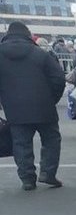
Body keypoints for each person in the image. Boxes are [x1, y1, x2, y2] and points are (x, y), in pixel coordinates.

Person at [0, 21, 67, 190]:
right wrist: (52, 98)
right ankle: (48, 173)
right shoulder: (41, 54)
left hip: (14, 109)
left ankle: (27, 178)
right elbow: (58, 78)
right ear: (28, 34)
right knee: (51, 140)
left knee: (21, 143)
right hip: (44, 105)